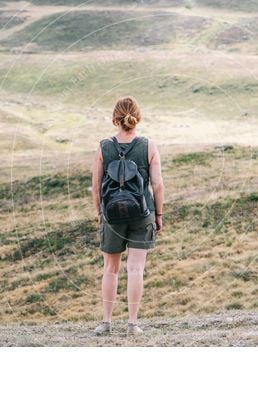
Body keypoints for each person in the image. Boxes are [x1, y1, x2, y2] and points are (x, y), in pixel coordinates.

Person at [90, 96, 165, 336]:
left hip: (112, 215)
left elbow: (96, 184)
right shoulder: (149, 146)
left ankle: (106, 323)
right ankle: (132, 324)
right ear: (137, 117)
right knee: (135, 270)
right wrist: (159, 214)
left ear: (115, 118)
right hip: (142, 214)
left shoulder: (104, 147)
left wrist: (100, 214)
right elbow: (158, 185)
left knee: (110, 269)